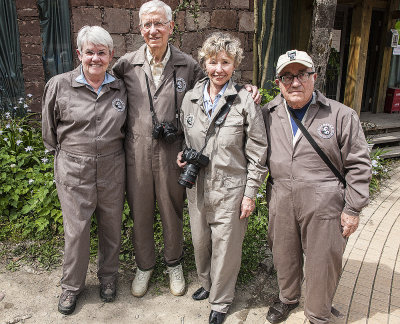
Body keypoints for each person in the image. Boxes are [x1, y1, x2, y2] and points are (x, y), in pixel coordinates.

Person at [112, 0, 260, 298]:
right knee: (140, 211)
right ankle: (144, 266)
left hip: (174, 153)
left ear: (171, 27)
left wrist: (247, 89)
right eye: (147, 24)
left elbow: (216, 86)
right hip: (136, 153)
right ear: (140, 28)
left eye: (159, 23)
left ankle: (173, 263)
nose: (153, 30)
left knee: (173, 211)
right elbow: (101, 85)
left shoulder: (187, 65)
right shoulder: (126, 65)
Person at [262, 50, 371, 324]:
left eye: (301, 75)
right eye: (287, 76)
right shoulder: (267, 113)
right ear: (278, 82)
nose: (295, 82)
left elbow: (358, 165)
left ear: (314, 77)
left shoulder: (340, 115)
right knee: (283, 254)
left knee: (323, 261)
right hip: (281, 197)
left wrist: (353, 208)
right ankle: (287, 298)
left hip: (325, 201)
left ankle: (318, 313)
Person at [177, 32, 268, 324]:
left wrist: (250, 193)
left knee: (226, 248)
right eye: (213, 62)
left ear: (234, 65)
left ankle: (221, 299)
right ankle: (206, 283)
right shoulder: (190, 98)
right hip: (197, 186)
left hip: (231, 188)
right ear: (205, 63)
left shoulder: (244, 101)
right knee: (200, 241)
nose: (219, 69)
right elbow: (186, 138)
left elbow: (258, 151)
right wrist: (183, 156)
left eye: (225, 63)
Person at [42, 26, 127, 315]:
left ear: (110, 55)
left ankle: (108, 278)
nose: (95, 58)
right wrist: (70, 157)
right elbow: (49, 132)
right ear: (79, 54)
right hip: (74, 167)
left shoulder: (120, 87)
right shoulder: (59, 85)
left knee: (111, 226)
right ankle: (71, 287)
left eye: (101, 53)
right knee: (77, 231)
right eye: (89, 52)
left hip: (112, 166)